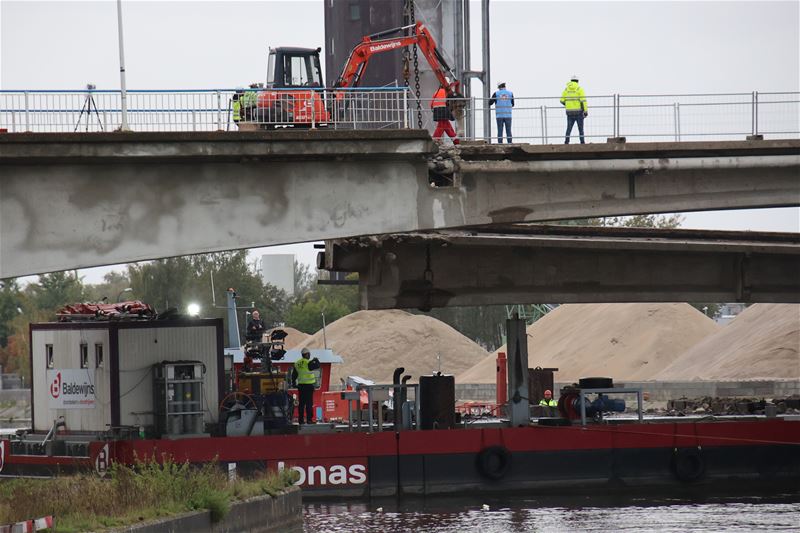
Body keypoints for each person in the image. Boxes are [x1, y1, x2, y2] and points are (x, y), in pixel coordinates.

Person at [293, 348, 321, 425]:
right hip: (308, 386)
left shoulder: (297, 363)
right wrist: (316, 360)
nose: (309, 356)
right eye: (309, 354)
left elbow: (294, 375)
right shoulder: (308, 362)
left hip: (301, 386)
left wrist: (294, 384)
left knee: (301, 404)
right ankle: (309, 420)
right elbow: (317, 366)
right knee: (309, 404)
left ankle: (301, 420)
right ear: (307, 354)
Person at [560, 75, 588, 144]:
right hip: (578, 112)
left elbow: (561, 100)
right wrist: (585, 111)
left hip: (569, 112)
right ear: (577, 81)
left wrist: (567, 105)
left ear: (571, 81)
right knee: (580, 129)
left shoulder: (566, 89)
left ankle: (566, 142)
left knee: (569, 128)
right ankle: (582, 142)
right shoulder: (579, 89)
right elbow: (583, 101)